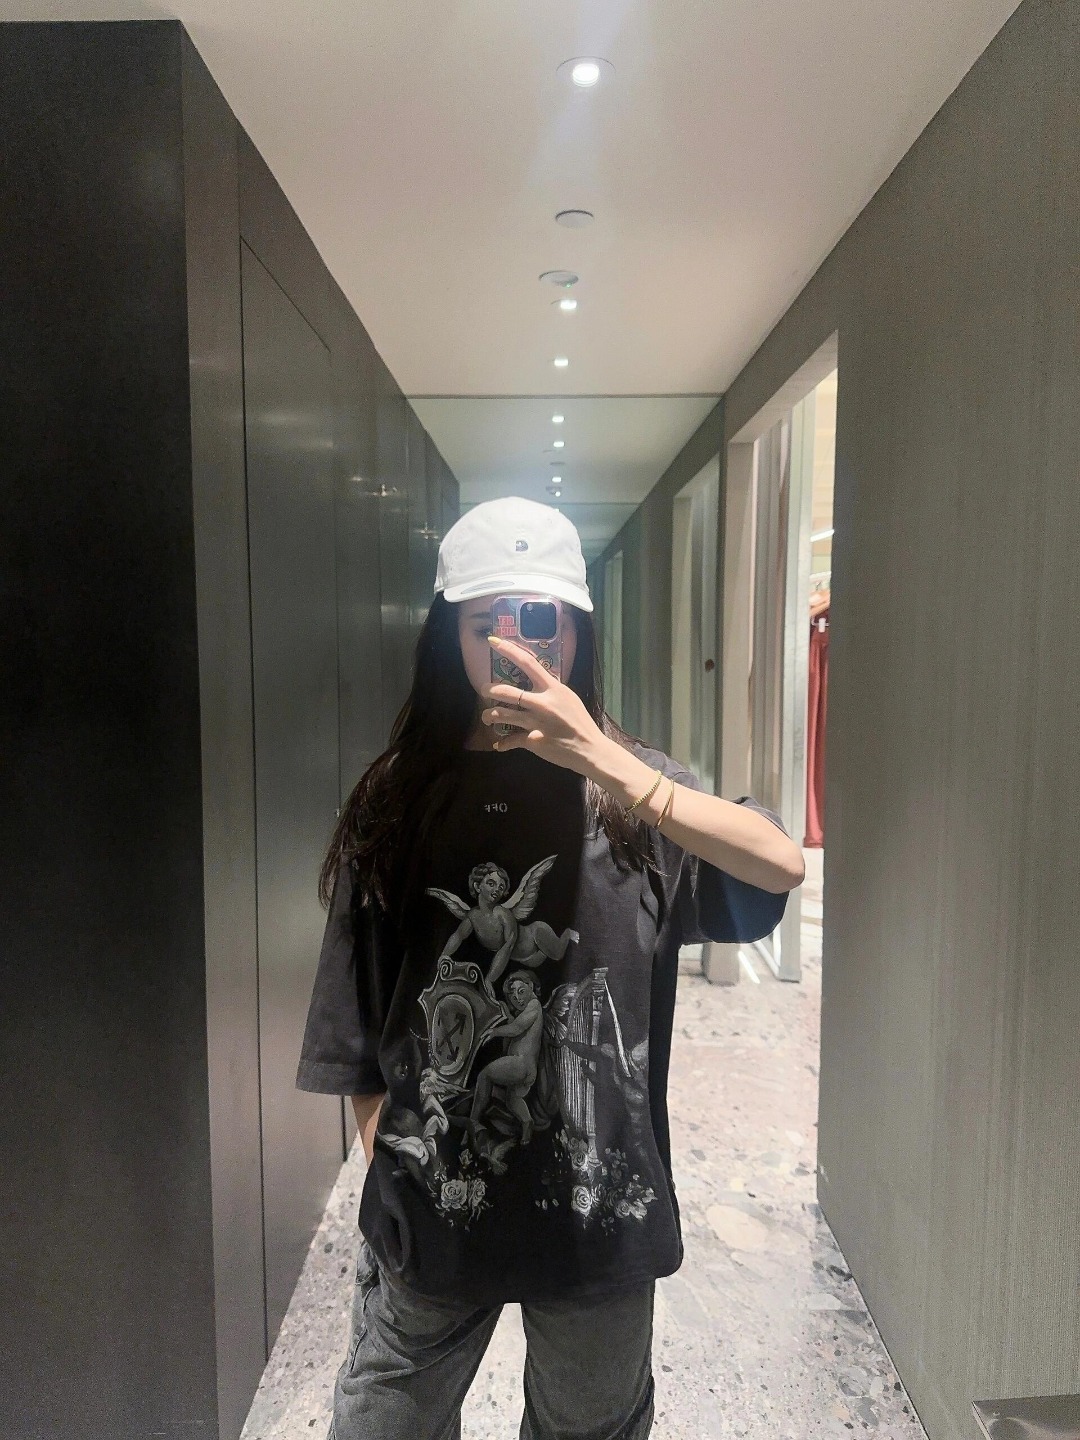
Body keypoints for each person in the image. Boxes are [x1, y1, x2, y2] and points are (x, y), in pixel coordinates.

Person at [296, 495, 805, 1440]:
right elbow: (356, 1029)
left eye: (543, 619)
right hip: (434, 1215)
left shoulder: (634, 800)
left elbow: (781, 864)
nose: (521, 643)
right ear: (448, 634)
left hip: (597, 1223)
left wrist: (612, 767)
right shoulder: (401, 801)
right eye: (488, 621)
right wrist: (399, 1168)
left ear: (577, 630)